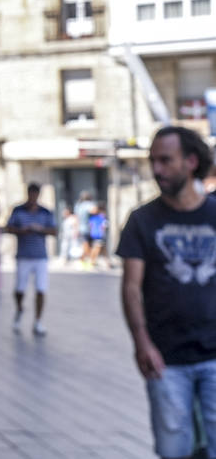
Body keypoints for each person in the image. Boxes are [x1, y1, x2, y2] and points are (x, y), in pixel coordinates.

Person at [118, 126, 216, 459]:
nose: (156, 169)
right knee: (174, 450)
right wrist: (141, 342)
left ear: (190, 161)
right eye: (153, 161)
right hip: (166, 358)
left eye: (165, 160)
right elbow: (131, 287)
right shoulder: (142, 220)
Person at [7, 182, 57, 336]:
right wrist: (22, 231)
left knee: (41, 289)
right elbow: (8, 227)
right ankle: (20, 309)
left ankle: (38, 321)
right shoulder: (18, 210)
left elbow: (54, 230)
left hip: (40, 256)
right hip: (23, 255)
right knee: (20, 289)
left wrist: (41, 230)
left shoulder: (45, 212)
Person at [87, 202, 113, 270]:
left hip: (95, 234)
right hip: (98, 235)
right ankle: (92, 262)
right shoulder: (101, 217)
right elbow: (104, 226)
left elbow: (90, 225)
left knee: (103, 249)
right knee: (97, 248)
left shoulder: (94, 217)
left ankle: (108, 263)